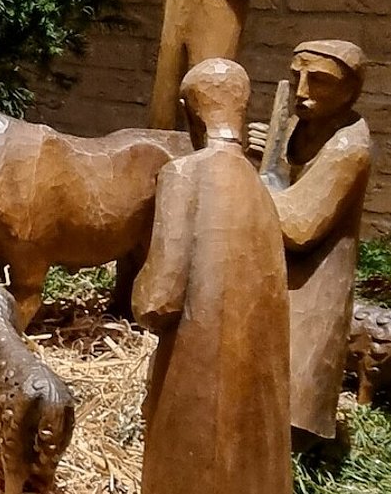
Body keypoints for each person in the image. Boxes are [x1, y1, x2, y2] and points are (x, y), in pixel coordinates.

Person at [134, 58, 290, 494]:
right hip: (257, 400)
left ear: (190, 113)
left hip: (196, 380)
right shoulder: (263, 190)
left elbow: (157, 302)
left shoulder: (184, 174)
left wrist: (137, 286)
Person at [248, 40, 373, 449]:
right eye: (296, 77)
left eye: (319, 81)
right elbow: (286, 176)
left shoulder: (349, 147)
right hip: (281, 275)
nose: (302, 92)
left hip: (314, 283)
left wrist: (256, 181)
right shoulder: (301, 125)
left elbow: (300, 228)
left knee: (293, 393)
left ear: (350, 89)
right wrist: (269, 156)